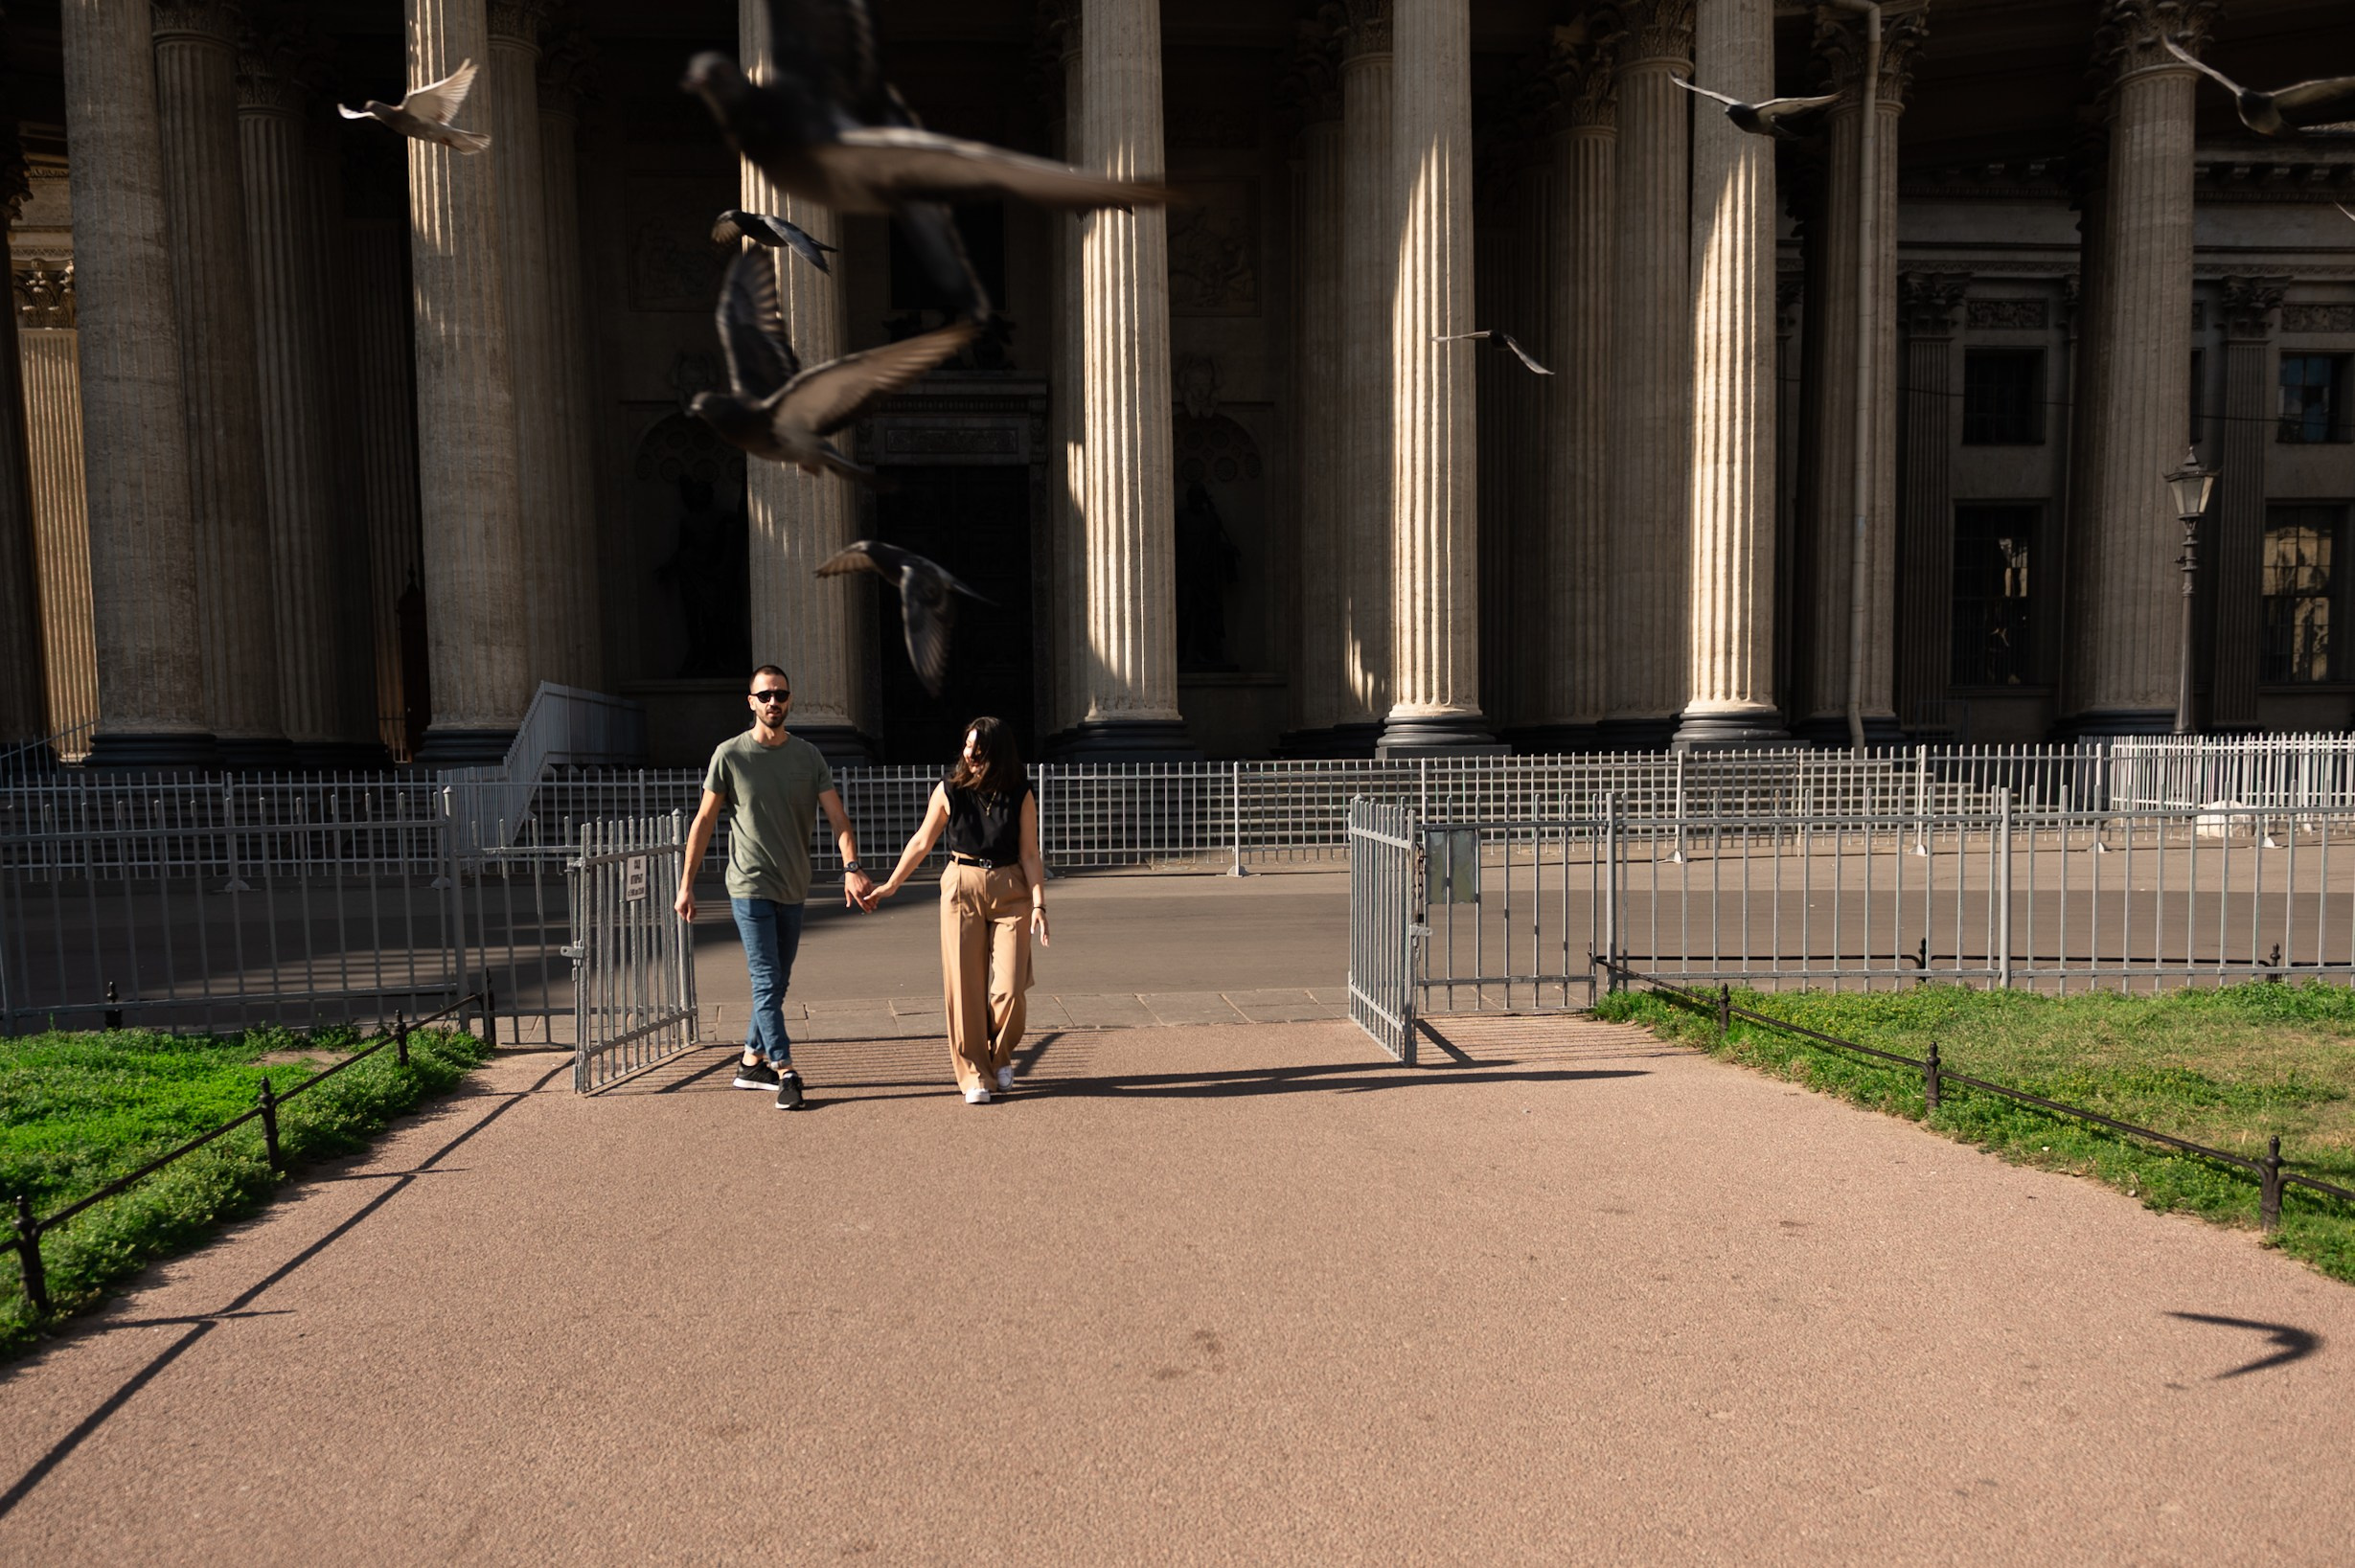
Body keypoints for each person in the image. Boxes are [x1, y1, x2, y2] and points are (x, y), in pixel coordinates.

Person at [677, 665, 877, 1110]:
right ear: (750, 702)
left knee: (777, 982)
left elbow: (838, 820)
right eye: (764, 695)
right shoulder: (729, 755)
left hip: (793, 885)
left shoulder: (808, 757)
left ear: (790, 701)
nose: (773, 702)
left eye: (780, 695)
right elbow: (704, 822)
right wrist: (686, 884)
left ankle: (750, 1062)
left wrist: (852, 866)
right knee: (767, 979)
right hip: (748, 885)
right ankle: (786, 1070)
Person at [868, 716, 1049, 1103]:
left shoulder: (1019, 791)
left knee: (1011, 988)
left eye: (979, 750)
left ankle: (999, 1055)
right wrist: (891, 884)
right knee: (964, 987)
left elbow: (1030, 853)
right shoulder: (950, 789)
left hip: (1011, 889)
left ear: (997, 753)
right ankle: (973, 1075)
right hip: (961, 884)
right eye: (968, 747)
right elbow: (921, 841)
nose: (971, 756)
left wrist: (1039, 903)